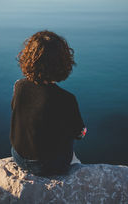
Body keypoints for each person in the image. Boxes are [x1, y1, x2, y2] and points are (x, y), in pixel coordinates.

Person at [10, 30, 87, 176]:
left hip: (18, 156)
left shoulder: (19, 86)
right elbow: (79, 133)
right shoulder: (66, 99)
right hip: (47, 165)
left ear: (28, 58)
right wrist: (82, 130)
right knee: (69, 139)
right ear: (63, 63)